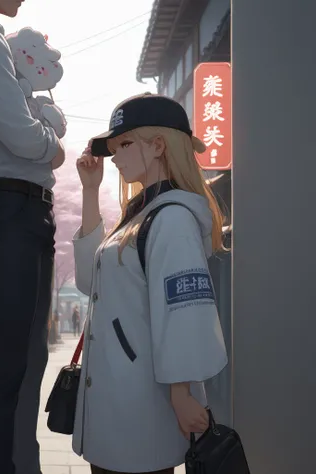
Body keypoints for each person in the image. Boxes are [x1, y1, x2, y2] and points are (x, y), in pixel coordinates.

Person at [71, 93, 228, 474]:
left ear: (158, 145)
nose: (116, 157)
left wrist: (181, 394)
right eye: (114, 148)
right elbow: (91, 281)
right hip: (121, 399)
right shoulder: (142, 216)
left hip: (144, 404)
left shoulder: (171, 219)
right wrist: (90, 191)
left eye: (125, 144)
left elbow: (186, 311)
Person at [0, 1, 65, 474]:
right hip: (5, 210)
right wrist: (52, 146)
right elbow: (21, 136)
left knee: (24, 364)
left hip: (19, 211)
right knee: (3, 369)